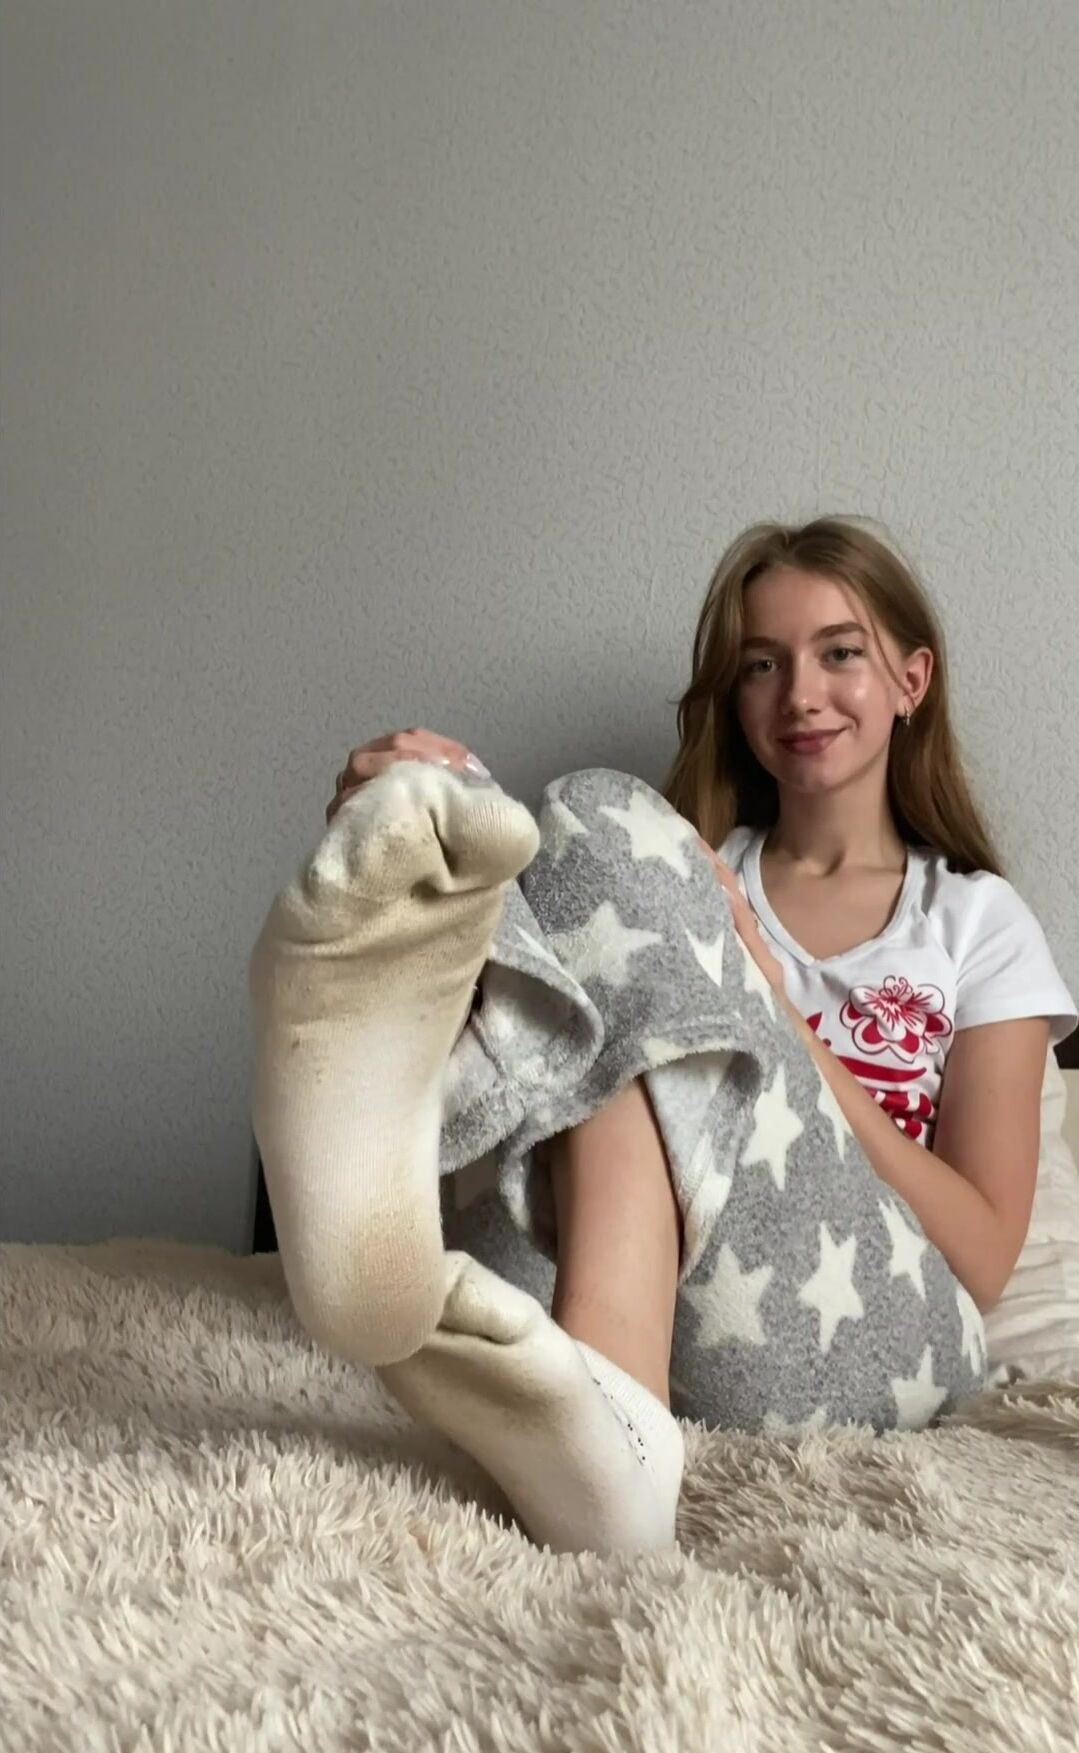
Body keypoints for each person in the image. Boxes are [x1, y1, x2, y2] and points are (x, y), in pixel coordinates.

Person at [252, 515, 1077, 1557]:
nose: (798, 695)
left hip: (880, 1342)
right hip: (636, 1299)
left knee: (598, 818)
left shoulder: (972, 920)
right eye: (761, 665)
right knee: (554, 843)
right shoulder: (683, 871)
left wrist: (779, 1016)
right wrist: (428, 811)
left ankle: (577, 1365)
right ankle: (401, 1087)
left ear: (910, 681)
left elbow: (983, 1256)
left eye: (838, 654)